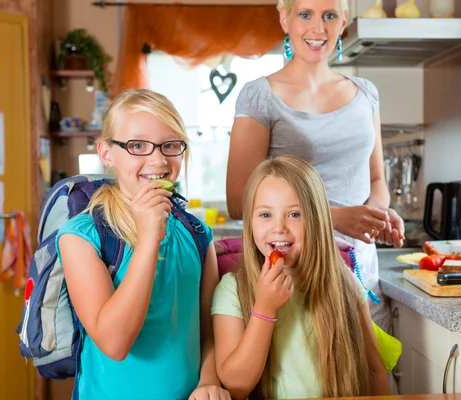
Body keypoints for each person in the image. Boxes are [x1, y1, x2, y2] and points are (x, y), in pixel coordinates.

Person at [225, 0, 404, 333]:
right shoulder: (260, 96)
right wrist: (334, 218)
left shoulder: (366, 94)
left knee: (373, 375)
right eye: (305, 14)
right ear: (284, 18)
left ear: (344, 21)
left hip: (361, 265)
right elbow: (239, 200)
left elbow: (377, 181)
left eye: (329, 16)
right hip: (294, 266)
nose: (318, 28)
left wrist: (376, 214)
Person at [56, 89, 230, 400]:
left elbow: (210, 327)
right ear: (107, 153)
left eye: (171, 145)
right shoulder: (81, 235)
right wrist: (149, 239)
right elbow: (114, 343)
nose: (159, 160)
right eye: (137, 145)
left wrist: (208, 380)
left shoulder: (198, 233)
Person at [213, 155, 390, 400]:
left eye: (295, 214)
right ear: (249, 223)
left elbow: (373, 370)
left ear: (317, 220)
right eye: (265, 215)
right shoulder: (232, 289)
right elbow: (236, 386)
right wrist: (264, 309)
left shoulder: (344, 281)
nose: (279, 227)